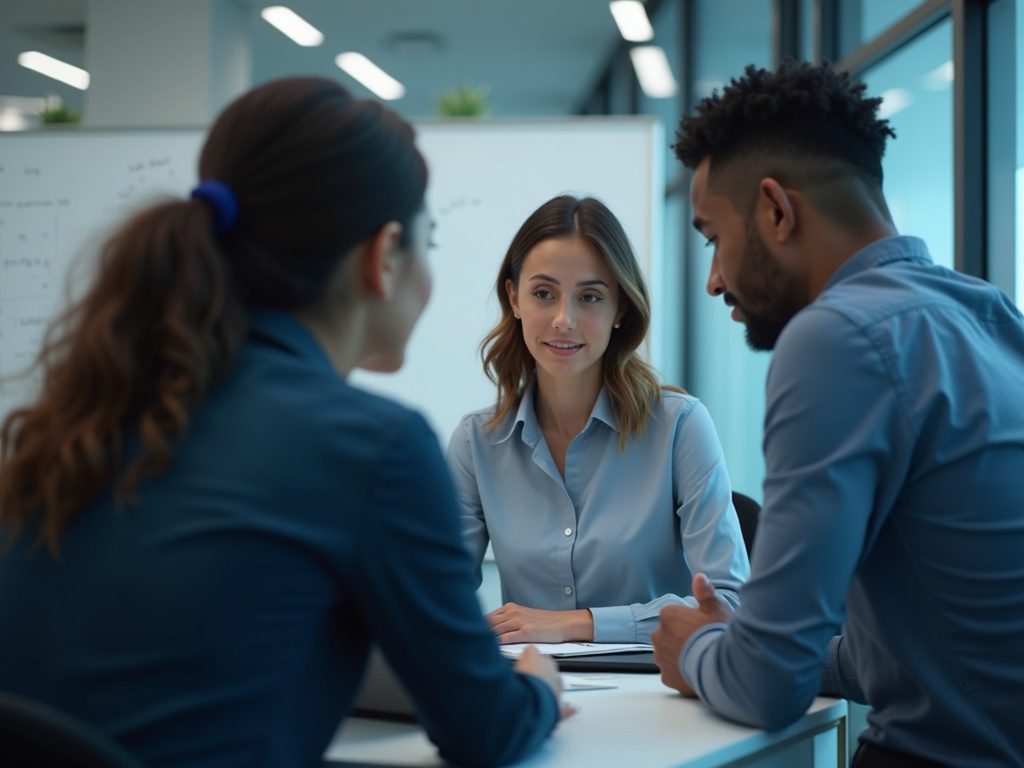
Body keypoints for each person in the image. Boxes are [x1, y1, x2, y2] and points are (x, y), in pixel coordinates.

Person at [0, 77, 564, 768]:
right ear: (384, 256)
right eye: (429, 240)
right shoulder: (372, 446)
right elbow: (488, 732)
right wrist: (536, 686)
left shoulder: (91, 413)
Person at [651, 60, 1024, 767]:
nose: (713, 279)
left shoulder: (836, 338)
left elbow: (766, 691)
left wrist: (694, 647)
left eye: (711, 238)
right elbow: (926, 650)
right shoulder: (990, 314)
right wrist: (750, 643)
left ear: (775, 211)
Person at [447, 194, 749, 645]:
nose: (564, 320)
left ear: (620, 309)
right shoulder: (476, 443)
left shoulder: (680, 427)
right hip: (531, 691)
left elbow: (729, 601)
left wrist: (578, 624)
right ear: (514, 298)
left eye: (590, 297)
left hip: (658, 697)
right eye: (543, 294)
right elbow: (435, 594)